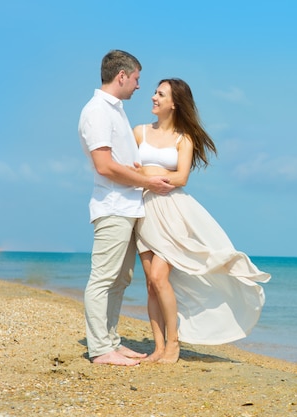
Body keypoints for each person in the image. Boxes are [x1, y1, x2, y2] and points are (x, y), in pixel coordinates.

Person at [133, 78, 270, 363]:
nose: (153, 97)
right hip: (143, 210)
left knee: (160, 277)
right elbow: (127, 169)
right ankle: (157, 348)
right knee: (150, 283)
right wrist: (148, 177)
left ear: (174, 103)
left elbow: (181, 178)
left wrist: (147, 175)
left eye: (160, 94)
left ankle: (173, 344)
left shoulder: (184, 139)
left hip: (171, 212)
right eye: (155, 92)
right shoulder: (139, 132)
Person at [78, 50, 175, 366]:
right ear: (122, 76)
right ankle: (99, 349)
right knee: (103, 278)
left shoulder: (115, 110)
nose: (138, 86)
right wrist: (146, 181)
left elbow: (117, 160)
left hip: (128, 207)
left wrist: (137, 171)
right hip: (113, 206)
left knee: (120, 280)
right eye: (136, 79)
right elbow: (104, 166)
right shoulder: (97, 112)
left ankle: (111, 342)